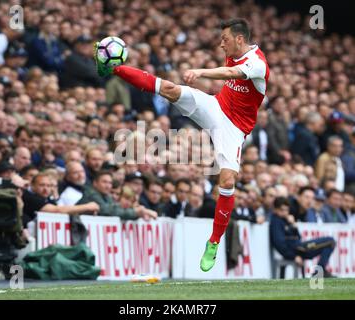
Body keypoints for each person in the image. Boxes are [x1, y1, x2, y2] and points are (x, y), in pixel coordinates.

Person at [95, 18, 269, 272]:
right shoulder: (235, 51)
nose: (222, 45)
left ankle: (214, 241)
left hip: (234, 129)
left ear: (240, 40)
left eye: (226, 40)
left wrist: (200, 72)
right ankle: (112, 69)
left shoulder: (257, 63)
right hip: (216, 107)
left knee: (228, 181)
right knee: (169, 88)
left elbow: (234, 73)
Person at [270, 197, 336, 278]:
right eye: (282, 210)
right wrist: (293, 256)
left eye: (286, 210)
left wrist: (293, 224)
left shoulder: (286, 220)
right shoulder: (276, 221)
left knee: (329, 243)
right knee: (330, 241)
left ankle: (319, 271)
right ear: (276, 209)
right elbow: (279, 243)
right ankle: (318, 272)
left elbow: (298, 237)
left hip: (299, 247)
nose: (285, 213)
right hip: (296, 249)